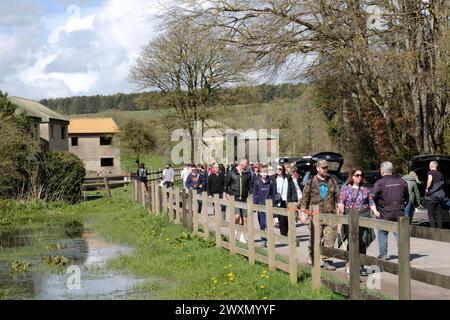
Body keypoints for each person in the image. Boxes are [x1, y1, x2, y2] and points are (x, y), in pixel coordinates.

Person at [298, 159, 340, 271]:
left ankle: (327, 261)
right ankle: (312, 256)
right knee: (315, 239)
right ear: (317, 168)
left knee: (330, 239)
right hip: (315, 215)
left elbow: (338, 197)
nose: (326, 169)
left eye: (326, 167)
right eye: (323, 167)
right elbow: (304, 199)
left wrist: (340, 206)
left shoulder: (332, 181)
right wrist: (303, 214)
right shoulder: (311, 182)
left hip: (330, 216)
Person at [338, 168, 379, 276]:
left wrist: (375, 210)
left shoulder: (365, 190)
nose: (359, 177)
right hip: (350, 218)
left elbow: (371, 202)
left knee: (362, 241)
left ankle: (360, 265)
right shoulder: (346, 189)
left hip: (363, 217)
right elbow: (341, 202)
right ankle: (350, 264)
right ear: (352, 176)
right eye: (357, 175)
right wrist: (341, 207)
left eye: (361, 175)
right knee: (352, 241)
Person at [372, 161, 409, 260]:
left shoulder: (379, 183)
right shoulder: (402, 181)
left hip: (384, 213)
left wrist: (375, 208)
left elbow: (373, 197)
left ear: (382, 170)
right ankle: (403, 255)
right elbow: (407, 197)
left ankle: (383, 255)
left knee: (382, 233)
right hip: (399, 212)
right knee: (399, 234)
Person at [224, 159, 253, 243]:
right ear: (240, 163)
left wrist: (251, 193)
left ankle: (242, 236)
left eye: (247, 164)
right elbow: (226, 183)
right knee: (237, 216)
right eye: (245, 164)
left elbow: (250, 185)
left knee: (245, 219)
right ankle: (234, 231)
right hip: (235, 197)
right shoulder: (231, 172)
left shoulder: (247, 173)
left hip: (244, 198)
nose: (246, 165)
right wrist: (225, 193)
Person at [253, 164, 276, 247]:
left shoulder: (272, 182)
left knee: (268, 224)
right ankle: (263, 240)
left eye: (266, 172)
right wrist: (254, 205)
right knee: (262, 223)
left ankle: (270, 240)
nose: (264, 174)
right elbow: (255, 194)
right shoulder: (257, 183)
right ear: (260, 173)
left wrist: (273, 204)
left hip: (268, 206)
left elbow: (273, 194)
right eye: (262, 172)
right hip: (260, 205)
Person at [274, 164, 297, 236]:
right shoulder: (273, 178)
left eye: (280, 169)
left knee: (288, 218)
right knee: (281, 219)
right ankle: (283, 234)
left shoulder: (288, 178)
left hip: (288, 201)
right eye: (277, 169)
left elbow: (293, 189)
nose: (278, 170)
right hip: (279, 201)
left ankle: (286, 232)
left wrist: (295, 199)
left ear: (283, 169)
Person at [426, 161, 445, 228]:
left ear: (432, 165)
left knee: (430, 213)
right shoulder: (440, 174)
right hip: (439, 197)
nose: (429, 166)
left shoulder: (430, 172)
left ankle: (433, 229)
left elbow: (430, 180)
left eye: (429, 165)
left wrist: (427, 188)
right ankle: (440, 229)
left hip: (432, 196)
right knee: (439, 213)